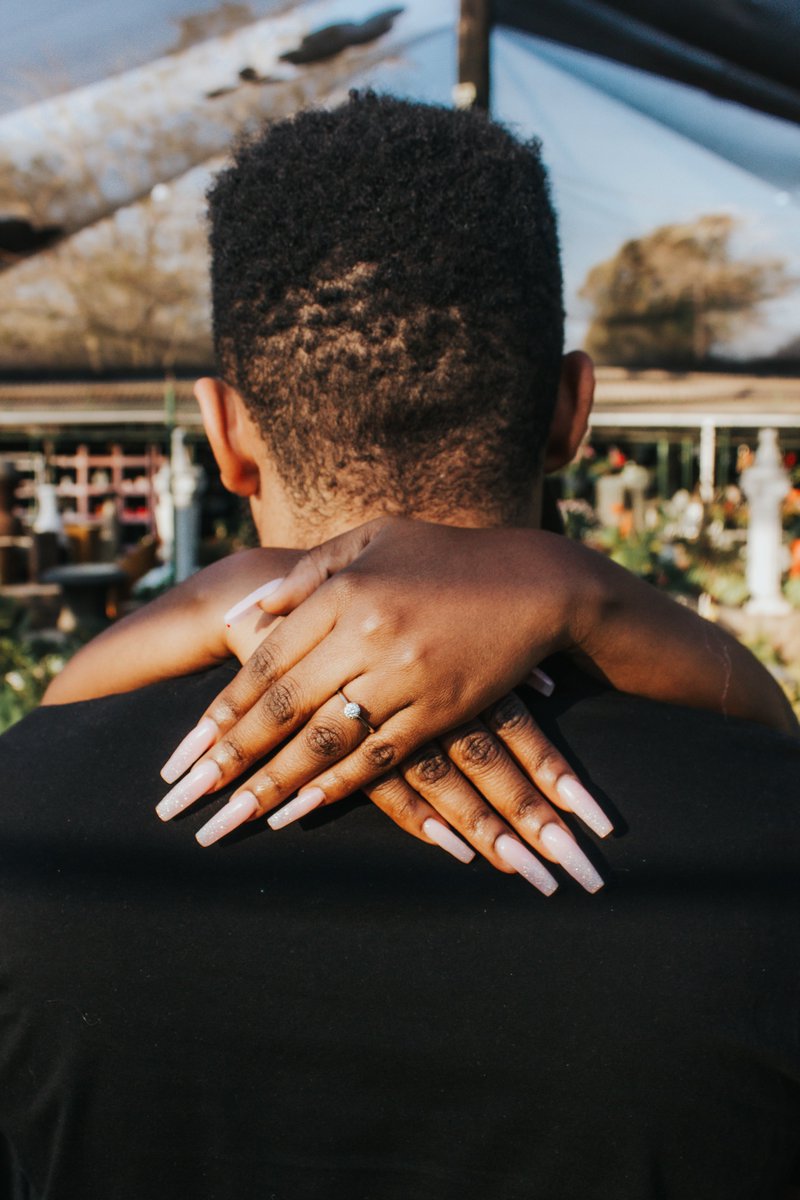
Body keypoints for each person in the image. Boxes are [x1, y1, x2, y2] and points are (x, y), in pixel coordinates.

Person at [0, 93, 798, 1198]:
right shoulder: (764, 824)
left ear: (225, 432)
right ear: (571, 411)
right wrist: (596, 595)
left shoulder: (25, 821)